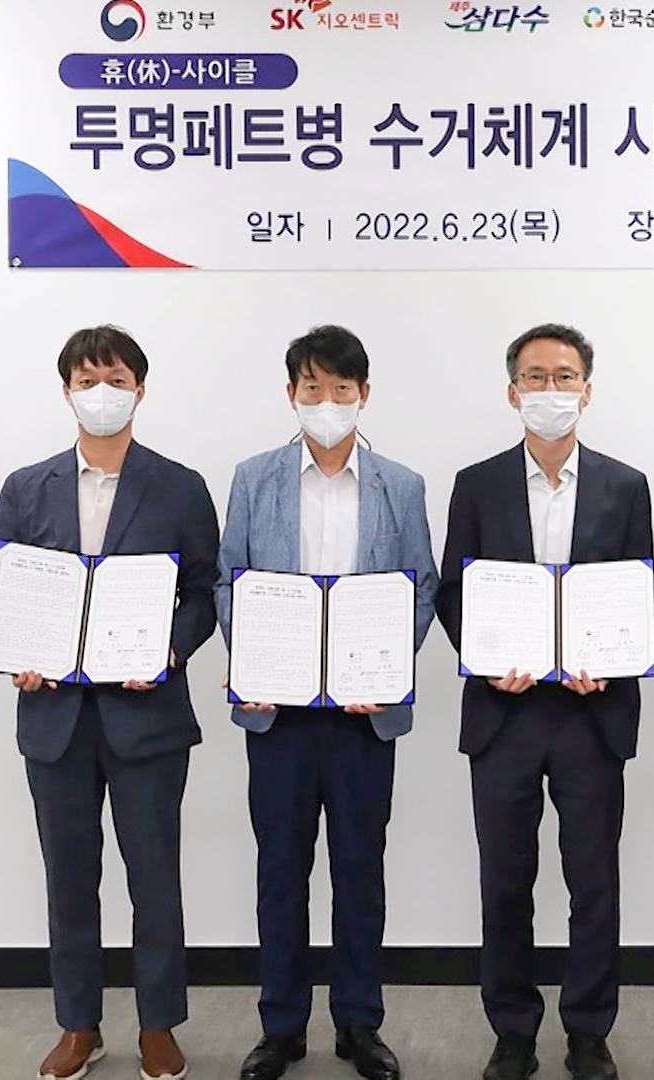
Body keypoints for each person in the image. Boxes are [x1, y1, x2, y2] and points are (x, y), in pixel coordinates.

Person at [0, 325, 220, 1080]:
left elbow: (204, 591)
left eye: (115, 379)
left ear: (139, 390)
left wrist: (171, 650)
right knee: (68, 879)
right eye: (87, 381)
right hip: (55, 720)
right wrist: (18, 654)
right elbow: (3, 582)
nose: (102, 393)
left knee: (155, 878)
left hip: (147, 718)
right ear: (66, 392)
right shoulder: (26, 487)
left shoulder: (180, 486)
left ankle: (158, 1025)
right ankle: (78, 1024)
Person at [216, 326, 439, 1080]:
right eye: (312, 388)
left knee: (359, 871)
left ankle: (358, 1023)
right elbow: (229, 580)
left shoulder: (400, 485)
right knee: (280, 872)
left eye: (342, 389)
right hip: (278, 716)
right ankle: (280, 1027)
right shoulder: (254, 479)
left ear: (363, 395)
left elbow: (422, 585)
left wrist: (385, 666)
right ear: (291, 394)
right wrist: (255, 659)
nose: (327, 402)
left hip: (362, 718)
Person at [435, 324, 653, 1080]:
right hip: (505, 715)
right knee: (506, 883)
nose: (549, 390)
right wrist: (487, 661)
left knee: (594, 882)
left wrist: (612, 664)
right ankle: (513, 1031)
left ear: (586, 392)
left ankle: (589, 1029)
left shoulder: (626, 485)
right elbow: (454, 591)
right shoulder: (477, 483)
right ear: (512, 392)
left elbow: (636, 589)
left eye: (564, 377)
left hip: (593, 715)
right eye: (535, 377)